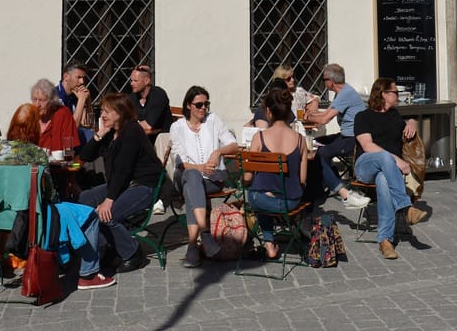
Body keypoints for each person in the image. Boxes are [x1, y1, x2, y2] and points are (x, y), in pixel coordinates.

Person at [73, 92, 163, 289]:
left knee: (107, 215)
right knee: (84, 199)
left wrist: (109, 200)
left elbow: (124, 169)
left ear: (120, 113)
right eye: (102, 110)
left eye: (108, 111)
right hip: (121, 183)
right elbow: (86, 156)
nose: (103, 114)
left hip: (143, 185)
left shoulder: (131, 131)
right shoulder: (110, 132)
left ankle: (132, 252)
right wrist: (99, 135)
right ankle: (103, 247)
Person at [353, 78, 427, 260]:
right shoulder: (363, 117)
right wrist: (397, 160)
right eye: (395, 92)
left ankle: (385, 241)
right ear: (383, 94)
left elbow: (408, 128)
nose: (398, 95)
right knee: (385, 157)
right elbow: (368, 146)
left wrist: (411, 122)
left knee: (384, 181)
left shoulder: (394, 116)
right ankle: (406, 206)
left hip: (387, 172)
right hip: (365, 166)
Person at [169, 85, 238, 267]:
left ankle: (193, 247)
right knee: (191, 176)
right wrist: (200, 168)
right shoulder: (177, 127)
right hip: (186, 174)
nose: (203, 108)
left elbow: (234, 145)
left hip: (212, 179)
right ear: (188, 106)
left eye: (206, 104)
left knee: (192, 189)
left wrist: (218, 151)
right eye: (199, 104)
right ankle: (205, 234)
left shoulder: (213, 120)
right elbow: (180, 163)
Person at [246, 88, 310, 260]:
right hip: (291, 202)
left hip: (263, 201)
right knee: (264, 196)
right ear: (289, 110)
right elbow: (302, 179)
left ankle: (269, 243)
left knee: (255, 195)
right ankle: (275, 241)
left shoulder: (259, 138)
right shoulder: (300, 140)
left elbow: (247, 177)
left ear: (268, 111)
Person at [304, 63, 371, 209]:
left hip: (353, 139)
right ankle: (326, 179)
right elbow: (326, 113)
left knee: (318, 154)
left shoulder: (346, 94)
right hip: (345, 135)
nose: (323, 83)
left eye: (323, 80)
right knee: (314, 142)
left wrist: (307, 117)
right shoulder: (341, 92)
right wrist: (309, 114)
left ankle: (342, 191)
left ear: (330, 81)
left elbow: (324, 119)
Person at [31, 78, 80, 153]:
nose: (37, 105)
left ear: (52, 101)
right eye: (34, 99)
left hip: (57, 163)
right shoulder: (30, 116)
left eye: (41, 100)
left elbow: (69, 150)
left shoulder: (63, 114)